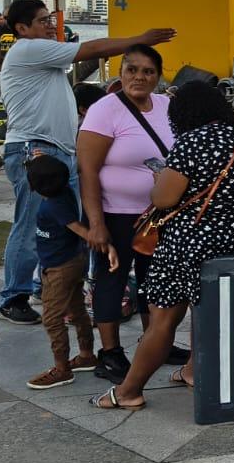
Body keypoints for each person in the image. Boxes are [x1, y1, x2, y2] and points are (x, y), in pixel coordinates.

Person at [90, 81, 234, 410]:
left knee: (163, 320)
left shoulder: (192, 141)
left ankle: (129, 391)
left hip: (190, 241)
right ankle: (191, 369)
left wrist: (160, 179)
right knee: (211, 308)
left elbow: (164, 199)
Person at [0, 0, 175, 325]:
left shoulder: (44, 57)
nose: (51, 26)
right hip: (36, 149)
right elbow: (91, 49)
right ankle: (14, 296)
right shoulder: (27, 49)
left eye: (51, 19)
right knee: (32, 223)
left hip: (58, 148)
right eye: (43, 21)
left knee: (65, 224)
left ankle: (49, 288)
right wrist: (140, 40)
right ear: (21, 28)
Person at [77, 44, 188, 383]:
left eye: (148, 71)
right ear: (121, 72)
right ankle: (110, 353)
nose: (139, 77)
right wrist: (96, 224)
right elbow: (87, 170)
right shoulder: (105, 110)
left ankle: (155, 340)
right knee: (112, 279)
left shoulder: (167, 106)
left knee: (156, 280)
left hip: (158, 214)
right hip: (116, 213)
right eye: (132, 70)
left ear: (158, 76)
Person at [24, 156, 107, 389]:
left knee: (52, 318)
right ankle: (86, 355)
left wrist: (98, 239)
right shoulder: (66, 192)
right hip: (72, 260)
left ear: (35, 186)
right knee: (76, 309)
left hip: (59, 268)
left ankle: (62, 369)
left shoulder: (53, 206)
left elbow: (77, 228)